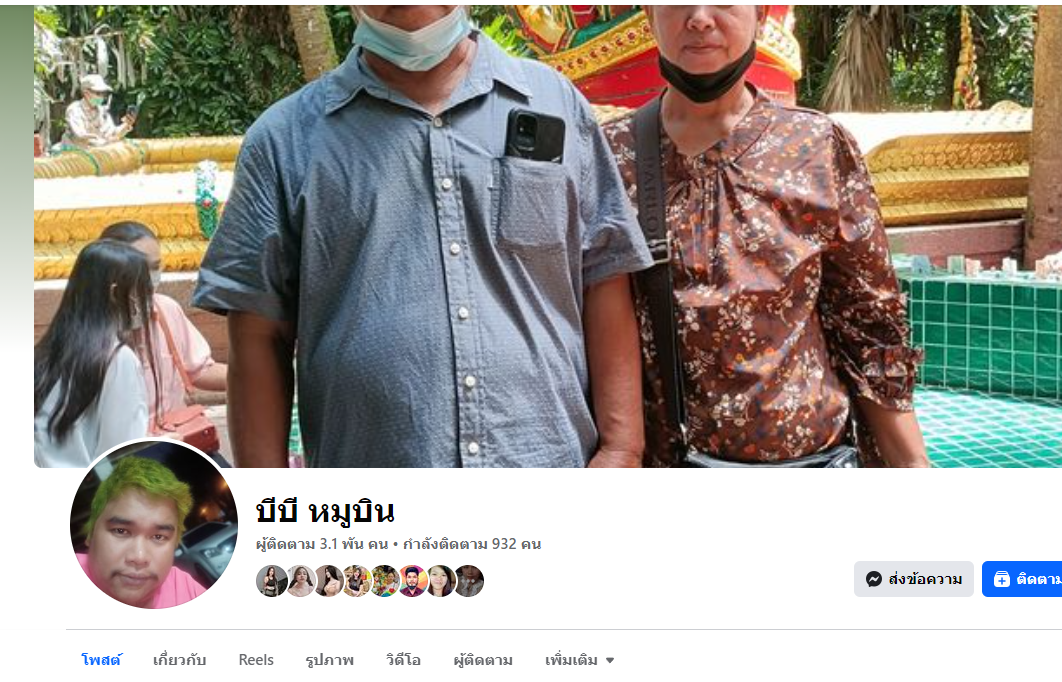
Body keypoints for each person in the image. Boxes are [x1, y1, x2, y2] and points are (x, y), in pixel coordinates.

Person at [192, 5, 652, 468]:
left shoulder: (555, 103)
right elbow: (259, 334)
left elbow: (603, 273)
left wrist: (621, 449)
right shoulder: (284, 140)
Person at [602, 5, 928, 467]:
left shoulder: (815, 145)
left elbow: (867, 319)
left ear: (759, 13)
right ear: (649, 14)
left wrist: (911, 463)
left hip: (810, 464)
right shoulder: (609, 156)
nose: (699, 18)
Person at [35, 240, 160, 467]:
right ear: (115, 293)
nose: (147, 302)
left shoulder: (48, 348)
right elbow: (119, 456)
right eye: (143, 290)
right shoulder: (117, 359)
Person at [100, 222, 229, 416]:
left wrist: (259, 376)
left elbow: (200, 370)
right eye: (138, 268)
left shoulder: (166, 309)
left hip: (174, 430)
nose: (149, 277)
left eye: (155, 267)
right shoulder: (91, 327)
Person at [75, 457, 206, 608]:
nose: (139, 557)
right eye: (121, 531)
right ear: (91, 534)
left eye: (158, 537)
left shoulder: (187, 591)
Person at [61, 74, 135, 149]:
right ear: (86, 93)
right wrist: (106, 141)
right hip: (74, 152)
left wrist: (126, 125)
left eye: (103, 94)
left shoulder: (102, 111)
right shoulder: (75, 109)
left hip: (98, 150)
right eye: (98, 93)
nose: (102, 97)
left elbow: (113, 133)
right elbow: (81, 136)